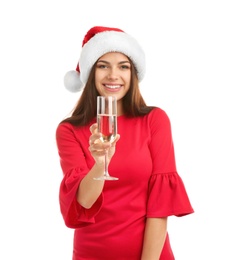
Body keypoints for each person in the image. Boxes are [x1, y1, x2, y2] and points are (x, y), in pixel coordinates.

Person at [55, 26, 194, 260]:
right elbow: (84, 202)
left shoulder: (154, 120)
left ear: (133, 74)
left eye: (123, 66)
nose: (113, 75)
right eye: (103, 66)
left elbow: (159, 206)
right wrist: (100, 165)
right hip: (92, 253)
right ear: (90, 73)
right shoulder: (69, 130)